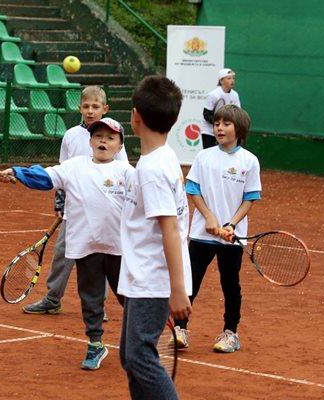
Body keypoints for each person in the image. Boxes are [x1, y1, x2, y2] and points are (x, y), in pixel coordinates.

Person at [0, 117, 133, 370]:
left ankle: (140, 342)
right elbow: (45, 177)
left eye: (110, 137)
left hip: (120, 248)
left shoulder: (126, 172)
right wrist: (18, 172)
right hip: (85, 247)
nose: (103, 140)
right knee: (91, 298)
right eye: (98, 136)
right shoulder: (74, 166)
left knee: (130, 298)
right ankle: (95, 343)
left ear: (120, 146)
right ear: (90, 141)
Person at [22, 86, 128, 316]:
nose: (90, 111)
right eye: (86, 106)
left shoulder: (114, 134)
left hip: (104, 211)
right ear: (79, 108)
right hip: (74, 211)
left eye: (96, 107)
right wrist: (59, 204)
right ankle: (52, 299)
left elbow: (123, 173)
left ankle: (99, 305)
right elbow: (60, 174)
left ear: (105, 109)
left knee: (103, 258)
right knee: (63, 255)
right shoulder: (71, 135)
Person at [118, 75, 192, 399]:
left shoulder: (152, 170)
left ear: (135, 116)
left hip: (155, 278)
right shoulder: (159, 159)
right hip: (142, 276)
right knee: (130, 356)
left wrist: (177, 289)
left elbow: (171, 228)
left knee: (140, 357)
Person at [173, 104, 261, 353]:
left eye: (226, 124)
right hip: (201, 235)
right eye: (217, 124)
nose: (219, 128)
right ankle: (180, 329)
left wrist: (231, 224)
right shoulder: (204, 156)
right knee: (190, 282)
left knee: (231, 286)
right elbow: (193, 190)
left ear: (239, 129)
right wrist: (209, 218)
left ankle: (230, 333)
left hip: (232, 238)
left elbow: (250, 198)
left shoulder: (249, 161)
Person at [201, 68, 241, 149]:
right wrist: (220, 123)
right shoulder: (213, 95)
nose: (232, 80)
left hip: (226, 132)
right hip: (209, 132)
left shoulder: (235, 95)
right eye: (229, 78)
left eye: (233, 78)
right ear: (221, 81)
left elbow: (237, 113)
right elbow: (206, 114)